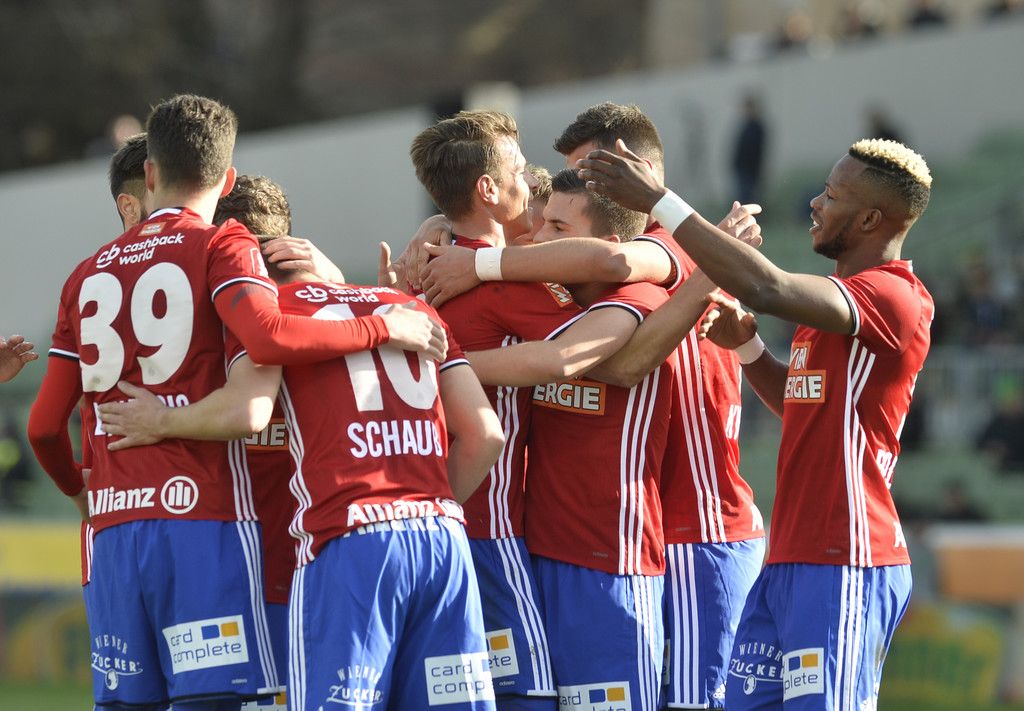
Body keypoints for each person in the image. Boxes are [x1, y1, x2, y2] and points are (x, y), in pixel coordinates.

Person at [27, 93, 445, 711]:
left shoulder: (84, 275)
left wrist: (82, 493)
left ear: (149, 174)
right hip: (205, 520)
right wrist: (383, 320)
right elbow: (269, 338)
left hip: (113, 533)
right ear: (225, 180)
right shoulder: (223, 243)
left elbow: (42, 427)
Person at [419, 102, 765, 711]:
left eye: (595, 172)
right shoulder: (536, 284)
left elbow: (607, 349)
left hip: (669, 540)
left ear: (639, 175)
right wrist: (438, 231)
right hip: (541, 545)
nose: (538, 229)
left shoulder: (660, 266)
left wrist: (445, 364)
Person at [578, 137, 933, 711]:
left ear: (870, 219)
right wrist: (747, 348)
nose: (815, 202)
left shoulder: (894, 295)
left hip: (847, 555)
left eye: (832, 195)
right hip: (791, 558)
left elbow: (767, 287)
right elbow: (803, 406)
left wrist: (659, 201)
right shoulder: (838, 307)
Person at [98, 232, 506, 711]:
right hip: (442, 539)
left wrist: (161, 421)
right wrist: (421, 504)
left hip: (351, 537)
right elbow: (486, 435)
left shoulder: (276, 315)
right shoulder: (410, 308)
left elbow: (246, 411)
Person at [408, 109, 663, 710]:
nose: (533, 180)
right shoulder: (512, 284)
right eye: (520, 170)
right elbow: (580, 356)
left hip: (427, 522)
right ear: (488, 190)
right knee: (529, 695)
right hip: (490, 529)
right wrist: (678, 293)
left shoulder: (419, 272)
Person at [731, 94, 768, 206]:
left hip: (750, 170)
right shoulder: (746, 125)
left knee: (748, 198)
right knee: (743, 197)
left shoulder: (756, 127)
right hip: (743, 169)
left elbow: (756, 150)